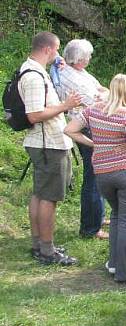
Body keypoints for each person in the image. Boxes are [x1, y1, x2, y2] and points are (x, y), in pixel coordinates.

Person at [65, 74, 126, 282]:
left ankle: (114, 263)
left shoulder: (93, 110)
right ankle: (124, 272)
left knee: (117, 215)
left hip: (102, 172)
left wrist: (94, 144)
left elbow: (69, 129)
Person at [18, 31, 81, 265]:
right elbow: (34, 115)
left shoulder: (35, 71)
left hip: (44, 144)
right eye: (56, 49)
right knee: (49, 198)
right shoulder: (34, 76)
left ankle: (40, 244)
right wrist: (66, 105)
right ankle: (47, 250)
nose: (58, 53)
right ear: (47, 49)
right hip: (48, 145)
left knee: (40, 194)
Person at [57, 38, 108, 240]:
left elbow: (102, 90)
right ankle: (90, 227)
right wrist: (103, 96)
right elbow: (97, 101)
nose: (90, 58)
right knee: (93, 176)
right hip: (85, 127)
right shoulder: (72, 78)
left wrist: (103, 95)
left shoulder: (79, 71)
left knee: (98, 173)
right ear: (79, 59)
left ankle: (98, 216)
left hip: (88, 123)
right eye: (88, 56)